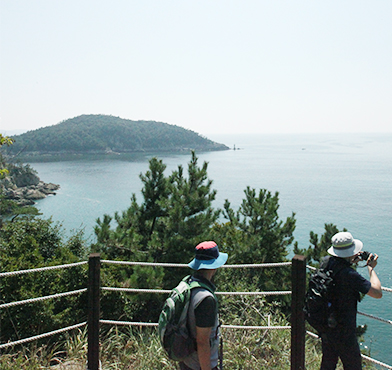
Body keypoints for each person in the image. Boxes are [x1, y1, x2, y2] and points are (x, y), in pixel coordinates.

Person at [320, 231, 382, 370]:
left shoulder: (325, 263)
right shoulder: (350, 275)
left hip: (326, 326)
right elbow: (377, 293)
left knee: (328, 364)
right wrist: (371, 269)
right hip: (344, 331)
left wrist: (349, 260)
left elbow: (337, 270)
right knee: (353, 366)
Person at [179, 241, 228, 370]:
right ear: (214, 267)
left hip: (186, 360)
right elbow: (202, 342)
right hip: (200, 364)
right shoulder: (206, 299)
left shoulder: (188, 285)